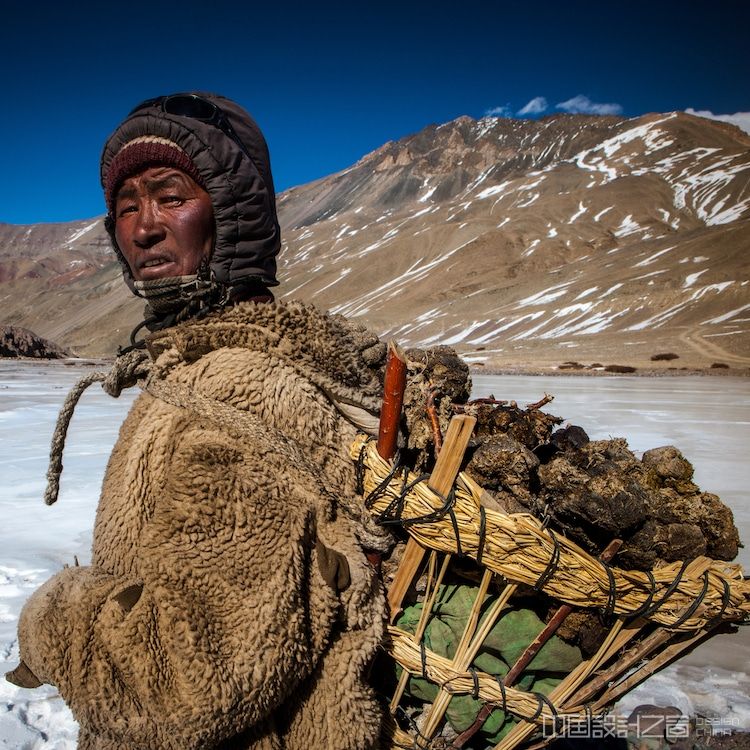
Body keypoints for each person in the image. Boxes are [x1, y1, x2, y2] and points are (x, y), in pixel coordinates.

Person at [7, 92, 392, 750]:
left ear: (233, 213)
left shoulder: (243, 393)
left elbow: (190, 683)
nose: (142, 227)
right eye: (125, 208)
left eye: (169, 196)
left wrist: (51, 619)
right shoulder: (190, 373)